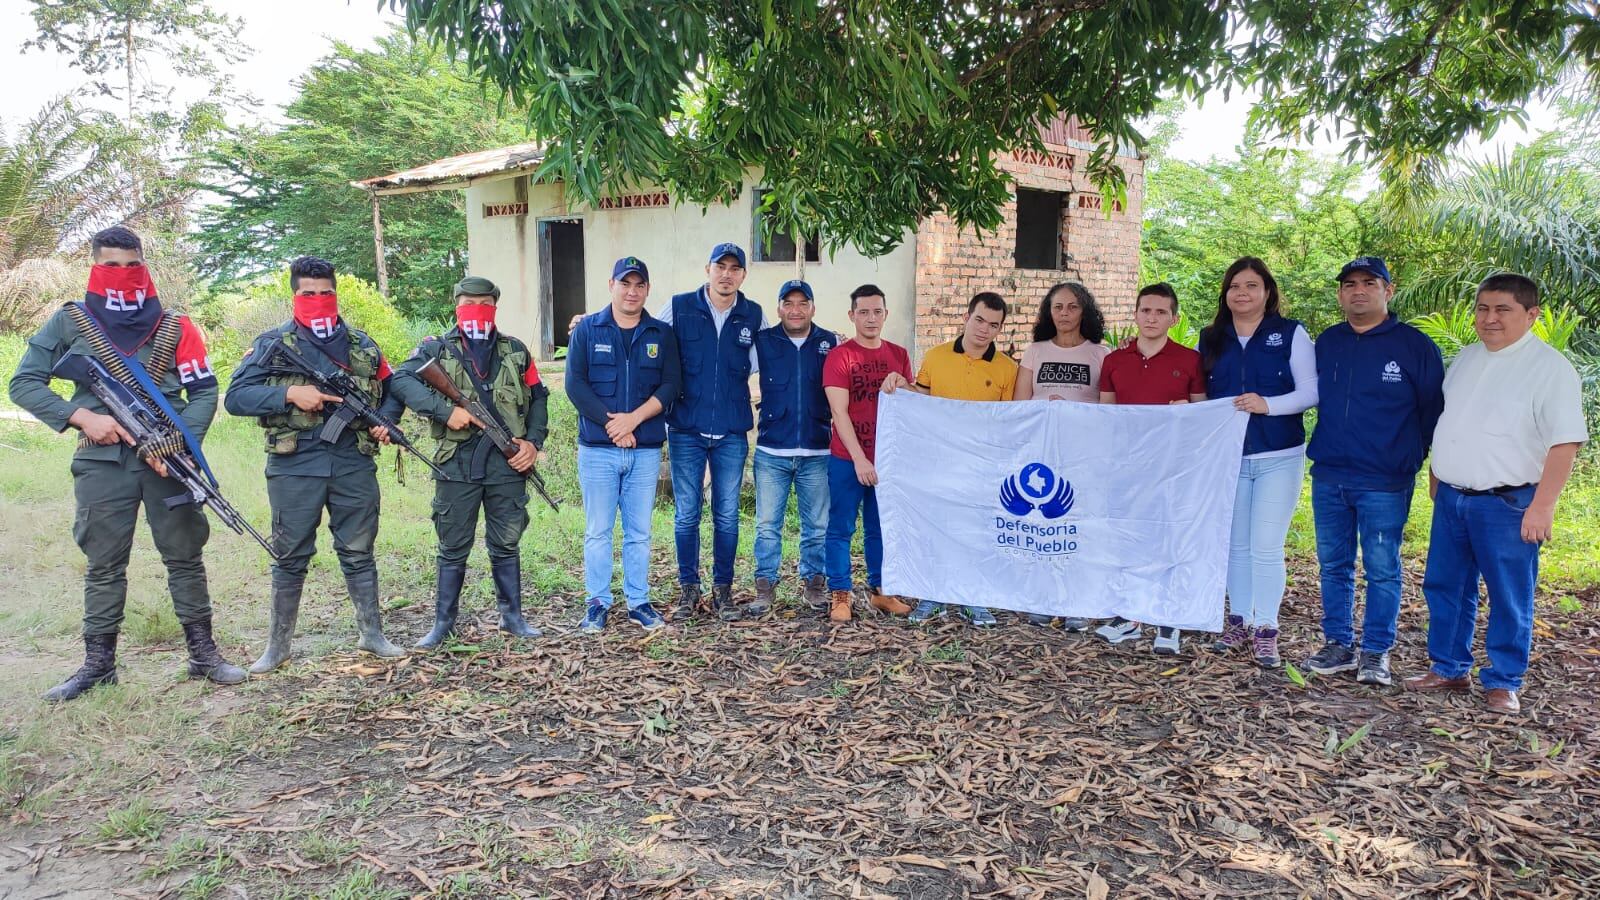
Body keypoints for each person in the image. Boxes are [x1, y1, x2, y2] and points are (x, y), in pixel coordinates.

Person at [8, 225, 245, 701]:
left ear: (145, 265)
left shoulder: (175, 326)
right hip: (102, 462)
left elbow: (203, 391)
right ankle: (99, 666)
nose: (123, 273)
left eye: (133, 265)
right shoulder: (71, 322)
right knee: (104, 562)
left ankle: (203, 656)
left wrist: (177, 445)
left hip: (166, 460)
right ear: (95, 267)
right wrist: (80, 417)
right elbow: (24, 383)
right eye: (111, 265)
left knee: (184, 555)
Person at [1405, 274, 1587, 714]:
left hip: (1508, 503)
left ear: (1531, 314)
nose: (1490, 318)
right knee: (1445, 586)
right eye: (1483, 308)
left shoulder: (1550, 369)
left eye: (1503, 309)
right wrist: (1438, 473)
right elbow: (1453, 419)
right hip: (1453, 498)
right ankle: (1449, 667)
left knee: (1508, 594)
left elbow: (1565, 442)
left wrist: (1543, 506)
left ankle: (1504, 680)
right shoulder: (1468, 357)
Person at [225, 255, 406, 672]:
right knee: (289, 553)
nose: (319, 299)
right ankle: (278, 648)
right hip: (295, 464)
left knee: (359, 548)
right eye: (309, 293)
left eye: (326, 293)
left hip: (353, 461)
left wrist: (387, 421)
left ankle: (372, 634)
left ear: (336, 294)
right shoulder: (272, 344)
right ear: (295, 295)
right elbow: (236, 398)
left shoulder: (362, 345)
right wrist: (289, 395)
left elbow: (393, 388)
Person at [1303, 258, 1444, 687]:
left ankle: (1376, 651)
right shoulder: (1328, 342)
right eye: (1349, 284)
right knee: (1333, 564)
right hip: (1330, 474)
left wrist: (1411, 456)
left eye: (1369, 282)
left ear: (1388, 290)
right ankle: (1338, 643)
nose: (1358, 291)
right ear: (1340, 294)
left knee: (1382, 568)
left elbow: (1433, 412)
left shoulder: (1414, 346)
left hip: (1385, 480)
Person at [389, 276, 550, 649]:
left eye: (484, 304)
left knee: (506, 542)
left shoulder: (515, 350)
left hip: (507, 463)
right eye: (468, 304)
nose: (477, 310)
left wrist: (533, 442)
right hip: (456, 464)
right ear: (456, 307)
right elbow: (401, 380)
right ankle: (443, 624)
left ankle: (512, 617)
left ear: (495, 307)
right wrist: (446, 412)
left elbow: (539, 397)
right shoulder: (435, 348)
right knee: (453, 545)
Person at [1199, 257, 1318, 668]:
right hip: (1229, 459)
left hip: (1278, 456)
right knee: (1235, 545)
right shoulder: (1211, 338)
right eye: (1235, 286)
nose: (1242, 293)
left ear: (1267, 292)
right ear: (1225, 294)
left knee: (1266, 546)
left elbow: (1311, 391)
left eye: (1252, 285)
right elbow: (1200, 396)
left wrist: (1268, 404)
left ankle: (1266, 628)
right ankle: (1239, 620)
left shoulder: (1291, 334)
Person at [883, 291, 1018, 627]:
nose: (984, 329)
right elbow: (923, 399)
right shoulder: (936, 357)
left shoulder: (1007, 369)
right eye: (979, 320)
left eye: (994, 325)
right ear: (966, 317)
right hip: (939, 461)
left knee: (977, 531)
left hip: (981, 465)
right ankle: (933, 596)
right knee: (936, 528)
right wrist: (901, 385)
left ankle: (974, 599)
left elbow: (1007, 421)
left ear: (1000, 329)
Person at [566, 257, 681, 634]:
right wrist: (613, 424)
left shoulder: (661, 334)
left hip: (644, 451)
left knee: (639, 533)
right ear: (611, 285)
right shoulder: (587, 330)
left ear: (647, 290)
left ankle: (638, 602)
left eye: (639, 285)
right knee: (598, 531)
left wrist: (634, 420)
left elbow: (670, 385)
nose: (632, 292)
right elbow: (575, 385)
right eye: (625, 283)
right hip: (598, 449)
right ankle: (597, 602)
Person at [1095, 282, 1209, 654]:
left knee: (1169, 539)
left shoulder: (1189, 360)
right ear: (1135, 314)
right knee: (1129, 538)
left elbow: (1202, 415)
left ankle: (1168, 619)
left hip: (1172, 466)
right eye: (1145, 310)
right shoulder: (1115, 361)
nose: (1152, 318)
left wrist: (1186, 413)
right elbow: (1106, 416)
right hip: (1127, 466)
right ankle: (1129, 615)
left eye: (1161, 312)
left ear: (1173, 318)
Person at [656, 243, 767, 621]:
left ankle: (723, 592)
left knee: (727, 514)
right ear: (708, 269)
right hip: (686, 426)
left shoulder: (753, 315)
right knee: (687, 513)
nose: (726, 274)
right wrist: (592, 322)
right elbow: (646, 333)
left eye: (735, 268)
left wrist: (831, 339)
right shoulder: (679, 307)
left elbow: (776, 351)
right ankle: (689, 590)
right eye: (721, 266)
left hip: (731, 431)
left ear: (743, 275)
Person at [1015, 281, 1112, 629]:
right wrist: (1047, 407)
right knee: (1043, 524)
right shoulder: (1035, 351)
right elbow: (1020, 404)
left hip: (1083, 454)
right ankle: (1044, 598)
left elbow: (1108, 409)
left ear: (1084, 311)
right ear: (1048, 312)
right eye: (1057, 307)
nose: (1064, 313)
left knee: (1079, 526)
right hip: (1043, 453)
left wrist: (1071, 410)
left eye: (1072, 306)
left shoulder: (1100, 354)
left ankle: (1078, 603)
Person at [821, 285, 915, 622]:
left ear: (886, 314)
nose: (871, 318)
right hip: (848, 459)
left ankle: (881, 591)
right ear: (852, 316)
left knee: (881, 526)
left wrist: (905, 384)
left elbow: (912, 401)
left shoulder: (899, 355)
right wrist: (860, 459)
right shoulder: (840, 356)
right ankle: (840, 594)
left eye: (877, 311)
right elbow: (839, 412)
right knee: (841, 527)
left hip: (887, 459)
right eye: (863, 312)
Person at [750, 280, 837, 616]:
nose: (796, 310)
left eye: (803, 303)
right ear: (779, 308)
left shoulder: (830, 342)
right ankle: (765, 588)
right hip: (772, 451)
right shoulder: (762, 341)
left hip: (817, 451)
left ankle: (814, 586)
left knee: (817, 526)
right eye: (789, 303)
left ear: (813, 308)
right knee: (767, 526)